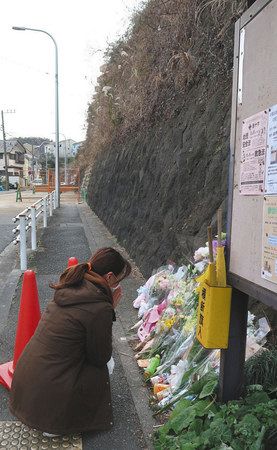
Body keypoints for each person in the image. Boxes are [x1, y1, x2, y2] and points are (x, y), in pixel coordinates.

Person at [9, 247, 131, 435]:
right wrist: (110, 309)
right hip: (49, 409)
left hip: (26, 390)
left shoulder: (72, 285)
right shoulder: (99, 306)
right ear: (109, 278)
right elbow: (100, 356)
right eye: (119, 280)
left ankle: (53, 411)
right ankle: (65, 419)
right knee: (108, 365)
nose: (119, 285)